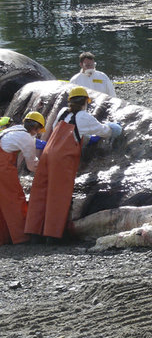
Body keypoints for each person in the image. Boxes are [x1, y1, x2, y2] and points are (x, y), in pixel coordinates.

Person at [25, 87, 122, 240]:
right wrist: (114, 128)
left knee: (40, 191)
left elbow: (67, 130)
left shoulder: (63, 111)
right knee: (58, 194)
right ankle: (52, 235)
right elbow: (103, 131)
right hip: (62, 158)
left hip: (48, 153)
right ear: (85, 102)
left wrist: (87, 138)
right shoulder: (84, 116)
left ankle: (33, 231)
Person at [0, 112, 45, 245]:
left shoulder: (13, 129)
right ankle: (21, 237)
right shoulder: (26, 137)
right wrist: (45, 167)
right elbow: (31, 165)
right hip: (2, 168)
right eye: (38, 131)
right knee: (14, 199)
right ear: (35, 129)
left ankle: (4, 237)